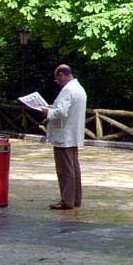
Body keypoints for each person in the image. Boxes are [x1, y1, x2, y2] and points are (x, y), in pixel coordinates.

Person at [41, 64, 88, 210]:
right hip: (73, 134)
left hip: (64, 135)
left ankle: (67, 201)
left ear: (61, 75)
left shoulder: (67, 90)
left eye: (57, 79)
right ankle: (75, 199)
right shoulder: (79, 88)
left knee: (65, 170)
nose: (57, 82)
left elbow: (61, 112)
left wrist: (48, 112)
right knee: (73, 168)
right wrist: (52, 108)